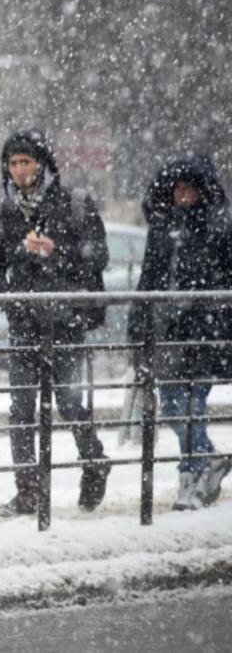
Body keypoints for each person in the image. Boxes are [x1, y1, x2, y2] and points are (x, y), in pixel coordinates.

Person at [0, 127, 112, 517]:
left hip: (65, 321)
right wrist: (6, 295)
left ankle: (94, 462)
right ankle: (28, 489)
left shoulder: (74, 204)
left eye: (26, 161)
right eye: (13, 163)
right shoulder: (6, 212)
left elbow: (98, 254)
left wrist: (58, 251)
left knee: (69, 400)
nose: (19, 170)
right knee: (21, 408)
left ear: (42, 164)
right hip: (23, 323)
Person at [129, 154, 232, 510]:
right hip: (169, 330)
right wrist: (137, 324)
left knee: (192, 403)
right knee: (173, 406)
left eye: (188, 187)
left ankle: (190, 476)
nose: (182, 194)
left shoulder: (220, 229)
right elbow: (148, 280)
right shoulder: (162, 231)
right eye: (176, 188)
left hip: (205, 330)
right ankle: (208, 458)